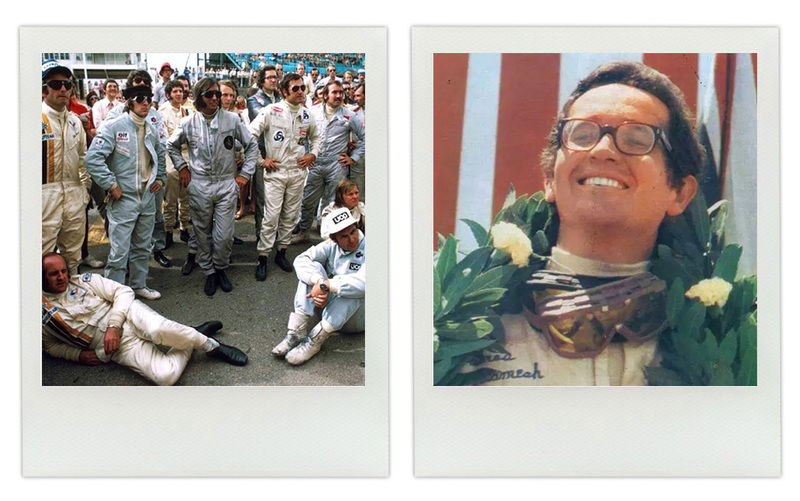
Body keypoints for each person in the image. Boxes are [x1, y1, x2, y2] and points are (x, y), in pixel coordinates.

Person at [465, 61, 701, 386]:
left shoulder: (734, 338)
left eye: (636, 139)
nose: (603, 150)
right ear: (549, 179)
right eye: (583, 134)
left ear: (679, 192)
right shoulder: (456, 320)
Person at [41, 253, 247, 386]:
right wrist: (78, 355)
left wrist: (114, 325)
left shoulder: (85, 281)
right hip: (115, 346)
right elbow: (49, 346)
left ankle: (211, 346)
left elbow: (123, 292)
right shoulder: (42, 314)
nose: (61, 277)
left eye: (63, 271)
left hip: (128, 316)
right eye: (53, 274)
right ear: (42, 277)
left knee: (158, 330)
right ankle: (193, 336)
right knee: (165, 376)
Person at [167, 77, 259, 296]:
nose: (216, 98)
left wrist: (245, 174)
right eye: (210, 95)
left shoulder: (232, 120)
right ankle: (209, 271)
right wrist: (182, 168)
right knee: (202, 232)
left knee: (224, 235)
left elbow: (251, 145)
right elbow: (171, 145)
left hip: (226, 183)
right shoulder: (188, 122)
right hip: (200, 184)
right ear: (199, 98)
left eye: (217, 94)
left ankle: (220, 267)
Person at [85, 84, 166, 301]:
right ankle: (113, 294)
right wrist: (111, 185)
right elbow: (92, 159)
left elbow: (160, 153)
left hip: (147, 196)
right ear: (129, 102)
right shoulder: (114, 126)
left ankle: (138, 285)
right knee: (119, 252)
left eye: (148, 98)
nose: (146, 102)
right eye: (140, 98)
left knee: (142, 247)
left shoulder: (151, 127)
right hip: (124, 198)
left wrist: (160, 177)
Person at [247, 73, 319, 281]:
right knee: (271, 217)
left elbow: (316, 138)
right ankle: (262, 257)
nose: (300, 92)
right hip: (275, 172)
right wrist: (262, 160)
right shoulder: (271, 111)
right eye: (295, 88)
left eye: (302, 88)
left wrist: (313, 153)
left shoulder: (307, 114)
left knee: (290, 215)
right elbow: (250, 135)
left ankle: (282, 252)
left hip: (297, 172)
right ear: (284, 91)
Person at [272, 207, 365, 366]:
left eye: (353, 232)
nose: (352, 239)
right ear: (334, 239)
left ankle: (314, 341)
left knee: (353, 288)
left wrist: (327, 285)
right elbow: (301, 260)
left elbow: (364, 284)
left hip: (356, 318)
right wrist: (318, 281)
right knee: (312, 269)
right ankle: (296, 332)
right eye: (344, 236)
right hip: (329, 309)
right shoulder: (331, 245)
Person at [292, 80, 364, 244]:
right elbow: (301, 136)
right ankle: (304, 231)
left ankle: (327, 232)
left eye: (341, 92)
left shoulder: (349, 115)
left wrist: (353, 158)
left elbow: (364, 138)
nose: (339, 95)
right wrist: (305, 154)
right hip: (315, 163)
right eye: (334, 92)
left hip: (336, 164)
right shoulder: (311, 112)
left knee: (333, 201)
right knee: (307, 199)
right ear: (325, 95)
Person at [41, 59, 91, 275]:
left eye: (67, 84)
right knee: (41, 254)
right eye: (55, 84)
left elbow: (83, 157)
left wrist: (84, 190)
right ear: (44, 90)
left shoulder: (75, 121)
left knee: (72, 254)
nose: (62, 88)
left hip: (73, 192)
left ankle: (71, 299)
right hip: (43, 194)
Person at [247, 65, 283, 240]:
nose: (274, 80)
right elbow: (268, 120)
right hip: (263, 154)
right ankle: (261, 233)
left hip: (282, 153)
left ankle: (275, 233)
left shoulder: (281, 96)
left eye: (275, 77)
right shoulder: (254, 100)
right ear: (262, 80)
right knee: (262, 198)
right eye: (269, 77)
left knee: (279, 199)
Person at [158, 80, 192, 251]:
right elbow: (165, 140)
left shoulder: (189, 110)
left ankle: (185, 226)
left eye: (180, 91)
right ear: (169, 94)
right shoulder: (162, 112)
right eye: (175, 91)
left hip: (187, 154)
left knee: (186, 196)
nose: (178, 94)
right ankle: (168, 230)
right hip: (171, 155)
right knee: (170, 198)